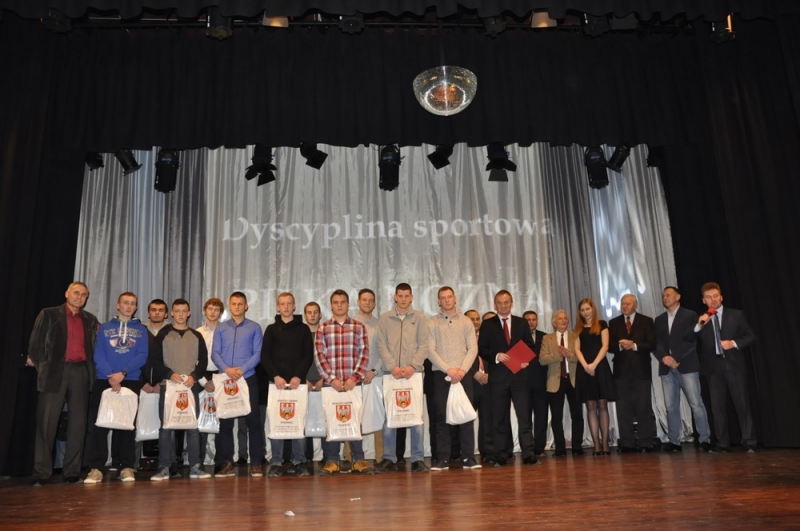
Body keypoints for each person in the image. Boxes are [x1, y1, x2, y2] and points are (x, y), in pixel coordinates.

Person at [28, 282, 99, 486]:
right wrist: (45, 369)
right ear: (67, 293)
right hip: (54, 372)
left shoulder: (90, 319)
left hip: (80, 372)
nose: (79, 297)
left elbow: (93, 349)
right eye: (76, 292)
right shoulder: (49, 314)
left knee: (78, 424)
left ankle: (72, 472)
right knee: (46, 424)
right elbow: (35, 346)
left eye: (84, 294)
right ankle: (41, 473)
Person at [83, 292, 149, 483]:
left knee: (126, 426)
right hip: (105, 379)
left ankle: (126, 466)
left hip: (130, 379)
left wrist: (123, 373)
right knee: (99, 425)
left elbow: (142, 355)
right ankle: (96, 468)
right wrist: (111, 376)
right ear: (118, 305)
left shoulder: (141, 330)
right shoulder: (105, 328)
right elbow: (98, 354)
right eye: (126, 303)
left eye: (133, 303)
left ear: (136, 307)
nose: (129, 306)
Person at [148, 299, 211, 480]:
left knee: (192, 427)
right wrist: (169, 374)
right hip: (168, 387)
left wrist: (195, 376)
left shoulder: (196, 335)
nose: (181, 314)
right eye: (177, 311)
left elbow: (203, 361)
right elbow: (154, 360)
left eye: (184, 311)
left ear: (189, 313)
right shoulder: (163, 335)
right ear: (172, 313)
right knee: (166, 427)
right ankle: (164, 467)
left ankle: (195, 466)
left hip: (190, 387)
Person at [314, 289, 374, 475]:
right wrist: (331, 379)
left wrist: (354, 378)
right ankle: (332, 460)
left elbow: (364, 354)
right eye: (336, 302)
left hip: (352, 384)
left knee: (354, 419)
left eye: (342, 302)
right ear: (331, 305)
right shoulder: (323, 328)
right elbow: (319, 356)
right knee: (332, 420)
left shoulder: (359, 327)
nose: (339, 305)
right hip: (330, 384)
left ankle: (358, 459)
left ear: (348, 305)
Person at [694, 282, 757, 453]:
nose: (713, 299)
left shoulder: (736, 315)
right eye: (709, 297)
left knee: (742, 405)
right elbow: (688, 337)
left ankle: (749, 442)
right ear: (703, 300)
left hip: (734, 366)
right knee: (717, 408)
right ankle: (722, 443)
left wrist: (734, 343)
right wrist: (699, 325)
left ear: (721, 297)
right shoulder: (701, 320)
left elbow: (751, 336)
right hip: (713, 369)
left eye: (715, 296)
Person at [478, 290, 539, 466]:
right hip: (498, 378)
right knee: (499, 417)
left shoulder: (521, 322)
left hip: (519, 376)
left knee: (524, 416)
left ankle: (528, 452)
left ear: (512, 303)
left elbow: (530, 346)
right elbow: (481, 349)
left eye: (506, 302)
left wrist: (525, 360)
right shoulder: (487, 324)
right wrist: (496, 356)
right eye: (500, 302)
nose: (503, 306)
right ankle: (502, 453)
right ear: (495, 305)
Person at [375, 283, 430, 473]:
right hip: (391, 374)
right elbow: (381, 345)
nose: (404, 299)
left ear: (412, 297)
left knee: (415, 416)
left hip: (413, 374)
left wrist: (413, 366)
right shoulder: (385, 318)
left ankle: (417, 458)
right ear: (395, 297)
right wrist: (392, 366)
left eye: (407, 296)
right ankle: (389, 457)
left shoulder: (420, 318)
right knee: (390, 416)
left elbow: (424, 345)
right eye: (400, 295)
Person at [211, 291, 265, 477]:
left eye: (240, 304)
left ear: (246, 306)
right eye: (233, 304)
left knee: (253, 422)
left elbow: (258, 354)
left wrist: (241, 370)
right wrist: (227, 369)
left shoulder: (254, 327)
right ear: (229, 306)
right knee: (225, 423)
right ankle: (227, 462)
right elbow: (215, 353)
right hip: (225, 379)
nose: (237, 307)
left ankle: (256, 463)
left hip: (247, 378)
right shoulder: (221, 328)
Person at [261, 292, 314, 478]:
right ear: (278, 307)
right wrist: (275, 376)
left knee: (298, 421)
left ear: (294, 306)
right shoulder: (271, 329)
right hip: (277, 384)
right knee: (277, 423)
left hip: (297, 384)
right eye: (282, 304)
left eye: (289, 303)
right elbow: (265, 356)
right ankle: (276, 462)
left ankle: (299, 461)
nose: (285, 306)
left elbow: (308, 355)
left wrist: (298, 376)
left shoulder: (304, 329)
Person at [428, 287, 480, 470]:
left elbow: (473, 348)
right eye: (443, 298)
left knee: (466, 415)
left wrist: (462, 370)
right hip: (442, 375)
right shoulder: (432, 323)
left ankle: (469, 458)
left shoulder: (466, 321)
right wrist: (448, 369)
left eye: (449, 297)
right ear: (438, 301)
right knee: (442, 416)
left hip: (463, 375)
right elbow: (430, 350)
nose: (447, 300)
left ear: (455, 298)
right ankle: (443, 458)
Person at [654, 286, 711, 453]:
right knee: (671, 407)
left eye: (668, 295)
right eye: (663, 296)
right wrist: (664, 357)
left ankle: (704, 439)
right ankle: (674, 441)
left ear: (678, 297)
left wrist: (675, 358)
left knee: (696, 404)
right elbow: (655, 343)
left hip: (687, 366)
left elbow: (691, 340)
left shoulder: (689, 315)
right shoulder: (659, 319)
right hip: (666, 367)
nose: (665, 298)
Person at [608, 294, 657, 452]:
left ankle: (646, 442)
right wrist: (621, 346)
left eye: (628, 304)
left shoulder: (647, 321)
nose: (625, 306)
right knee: (623, 409)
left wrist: (634, 345)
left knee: (644, 407)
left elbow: (652, 344)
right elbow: (609, 346)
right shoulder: (614, 322)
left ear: (635, 305)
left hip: (641, 371)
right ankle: (627, 443)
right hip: (621, 372)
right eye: (623, 303)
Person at [574, 298, 617, 456]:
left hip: (600, 367)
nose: (585, 312)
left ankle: (605, 442)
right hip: (584, 368)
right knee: (590, 405)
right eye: (582, 310)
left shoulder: (602, 324)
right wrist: (586, 365)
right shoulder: (578, 328)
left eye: (587, 309)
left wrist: (593, 365)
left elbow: (605, 346)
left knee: (602, 404)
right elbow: (577, 349)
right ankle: (596, 443)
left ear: (593, 309)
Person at [539, 310, 585, 457]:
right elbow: (542, 359)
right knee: (556, 416)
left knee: (577, 415)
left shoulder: (575, 336)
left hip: (573, 380)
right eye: (560, 319)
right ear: (554, 323)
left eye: (565, 318)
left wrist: (569, 354)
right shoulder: (547, 338)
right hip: (555, 381)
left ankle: (577, 447)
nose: (563, 321)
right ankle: (560, 449)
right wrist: (558, 355)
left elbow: (581, 358)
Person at [197, 297, 224, 465]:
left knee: (221, 418)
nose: (213, 312)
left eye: (216, 309)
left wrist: (218, 379)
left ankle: (221, 459)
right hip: (202, 376)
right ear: (205, 311)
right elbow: (193, 359)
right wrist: (203, 381)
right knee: (201, 418)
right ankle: (199, 459)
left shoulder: (226, 331)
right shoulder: (197, 332)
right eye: (210, 309)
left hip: (221, 375)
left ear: (220, 313)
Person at [465, 309, 494, 462]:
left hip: (487, 383)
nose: (475, 322)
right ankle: (465, 454)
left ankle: (487, 453)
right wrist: (474, 373)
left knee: (487, 420)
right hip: (469, 383)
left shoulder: (487, 338)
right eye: (472, 319)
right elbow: (458, 359)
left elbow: (494, 357)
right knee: (465, 421)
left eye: (477, 319)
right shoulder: (461, 338)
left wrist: (490, 374)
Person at [523, 310, 549, 457]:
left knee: (541, 417)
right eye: (528, 320)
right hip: (523, 384)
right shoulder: (518, 337)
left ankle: (540, 448)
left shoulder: (545, 337)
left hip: (541, 382)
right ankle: (528, 448)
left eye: (533, 319)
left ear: (537, 321)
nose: (531, 322)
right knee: (525, 419)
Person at [303, 301, 324, 462]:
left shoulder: (326, 333)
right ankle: (306, 457)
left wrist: (325, 378)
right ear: (305, 315)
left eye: (315, 312)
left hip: (324, 381)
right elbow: (295, 360)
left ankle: (329, 457)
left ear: (320, 314)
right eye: (309, 312)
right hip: (305, 382)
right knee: (304, 420)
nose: (312, 315)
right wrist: (303, 380)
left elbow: (332, 358)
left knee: (325, 419)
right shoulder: (299, 334)